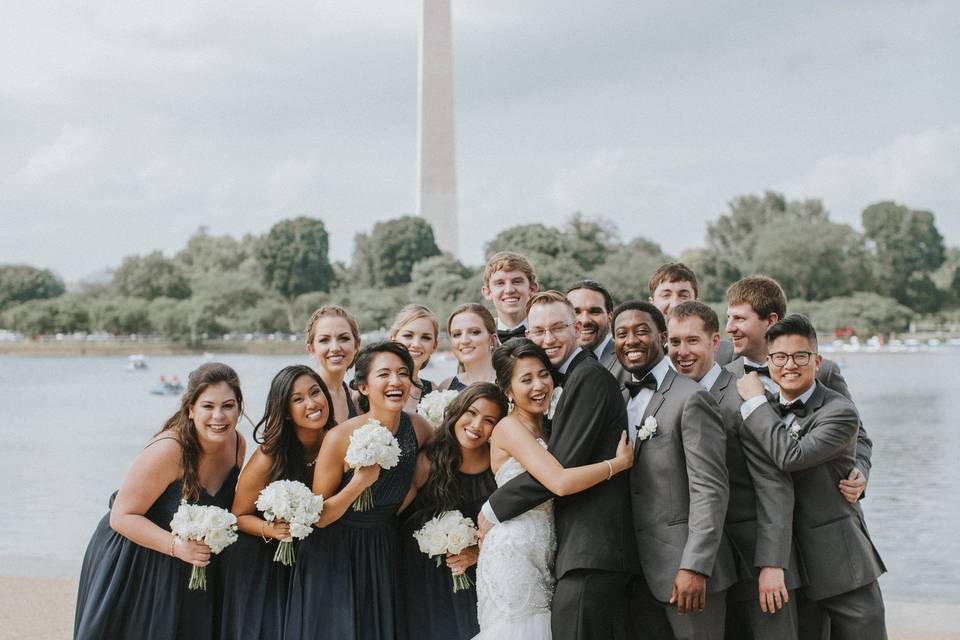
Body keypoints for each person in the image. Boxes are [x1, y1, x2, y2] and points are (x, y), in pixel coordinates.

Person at [478, 292, 644, 640]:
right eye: (538, 331)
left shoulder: (589, 378)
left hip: (590, 547)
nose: (547, 338)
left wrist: (495, 507)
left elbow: (559, 470)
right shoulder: (547, 398)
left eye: (557, 328)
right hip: (543, 552)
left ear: (576, 328)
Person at [736, 315, 887, 640]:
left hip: (842, 564)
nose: (789, 365)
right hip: (790, 566)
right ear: (769, 361)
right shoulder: (770, 410)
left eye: (800, 356)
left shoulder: (838, 411)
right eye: (780, 357)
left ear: (816, 362)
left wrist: (755, 401)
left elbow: (792, 457)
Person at [74, 363, 246, 640]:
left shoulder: (237, 445)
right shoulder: (170, 449)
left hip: (189, 563)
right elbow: (122, 515)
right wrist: (177, 547)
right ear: (190, 409)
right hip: (134, 558)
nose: (219, 416)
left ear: (239, 407)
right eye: (208, 406)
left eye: (228, 405)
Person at [667, 301, 799, 639]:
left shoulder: (744, 396)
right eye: (675, 342)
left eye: (692, 341)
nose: (682, 351)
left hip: (755, 559)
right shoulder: (669, 398)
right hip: (707, 562)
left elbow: (774, 485)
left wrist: (772, 565)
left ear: (715, 342)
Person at [284, 341, 433, 640]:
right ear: (363, 387)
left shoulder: (419, 428)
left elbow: (420, 478)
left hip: (383, 546)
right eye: (384, 374)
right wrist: (359, 483)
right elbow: (319, 518)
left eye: (403, 373)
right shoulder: (340, 437)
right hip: (333, 552)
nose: (396, 381)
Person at [613, 301, 735, 640]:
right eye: (622, 334)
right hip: (639, 570)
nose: (631, 341)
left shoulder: (691, 398)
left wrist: (695, 565)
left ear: (662, 338)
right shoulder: (621, 397)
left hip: (688, 571)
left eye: (641, 331)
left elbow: (710, 489)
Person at [723, 276, 872, 504]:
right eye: (729, 318)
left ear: (771, 320)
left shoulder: (823, 372)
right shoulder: (725, 375)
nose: (729, 328)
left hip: (816, 514)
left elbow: (857, 435)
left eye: (739, 319)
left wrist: (860, 473)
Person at [219, 366, 336, 640]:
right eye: (298, 399)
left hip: (318, 560)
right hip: (267, 562)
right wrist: (271, 530)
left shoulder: (339, 440)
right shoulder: (269, 457)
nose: (312, 403)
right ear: (284, 410)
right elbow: (238, 515)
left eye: (315, 392)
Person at [398, 383, 507, 640]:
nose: (477, 425)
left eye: (489, 420)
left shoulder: (499, 467)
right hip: (425, 581)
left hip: (479, 580)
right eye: (471, 412)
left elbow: (512, 529)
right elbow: (396, 515)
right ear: (457, 412)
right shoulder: (427, 462)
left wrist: (479, 552)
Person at [648, 262, 735, 366]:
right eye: (666, 295)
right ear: (652, 304)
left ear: (696, 303)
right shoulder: (638, 354)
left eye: (683, 295)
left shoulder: (727, 353)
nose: (675, 304)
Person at [306, 305, 361, 423]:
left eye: (344, 338)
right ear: (312, 349)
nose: (335, 348)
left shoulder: (353, 397)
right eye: (324, 340)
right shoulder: (301, 395)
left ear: (356, 346)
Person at [565, 279, 626, 383]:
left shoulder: (626, 362)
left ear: (610, 317)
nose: (584, 321)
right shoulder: (557, 361)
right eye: (576, 312)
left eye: (594, 312)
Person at [389, 304, 440, 411]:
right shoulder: (370, 385)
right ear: (393, 340)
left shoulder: (434, 393)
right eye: (408, 336)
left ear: (434, 346)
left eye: (425, 338)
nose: (416, 344)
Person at [480, 251, 540, 342]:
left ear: (532, 288)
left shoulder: (548, 335)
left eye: (517, 281)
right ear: (488, 292)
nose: (509, 290)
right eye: (500, 283)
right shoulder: (482, 339)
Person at [439, 303, 498, 391]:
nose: (464, 340)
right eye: (457, 334)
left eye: (475, 332)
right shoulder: (445, 388)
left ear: (492, 340)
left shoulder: (511, 382)